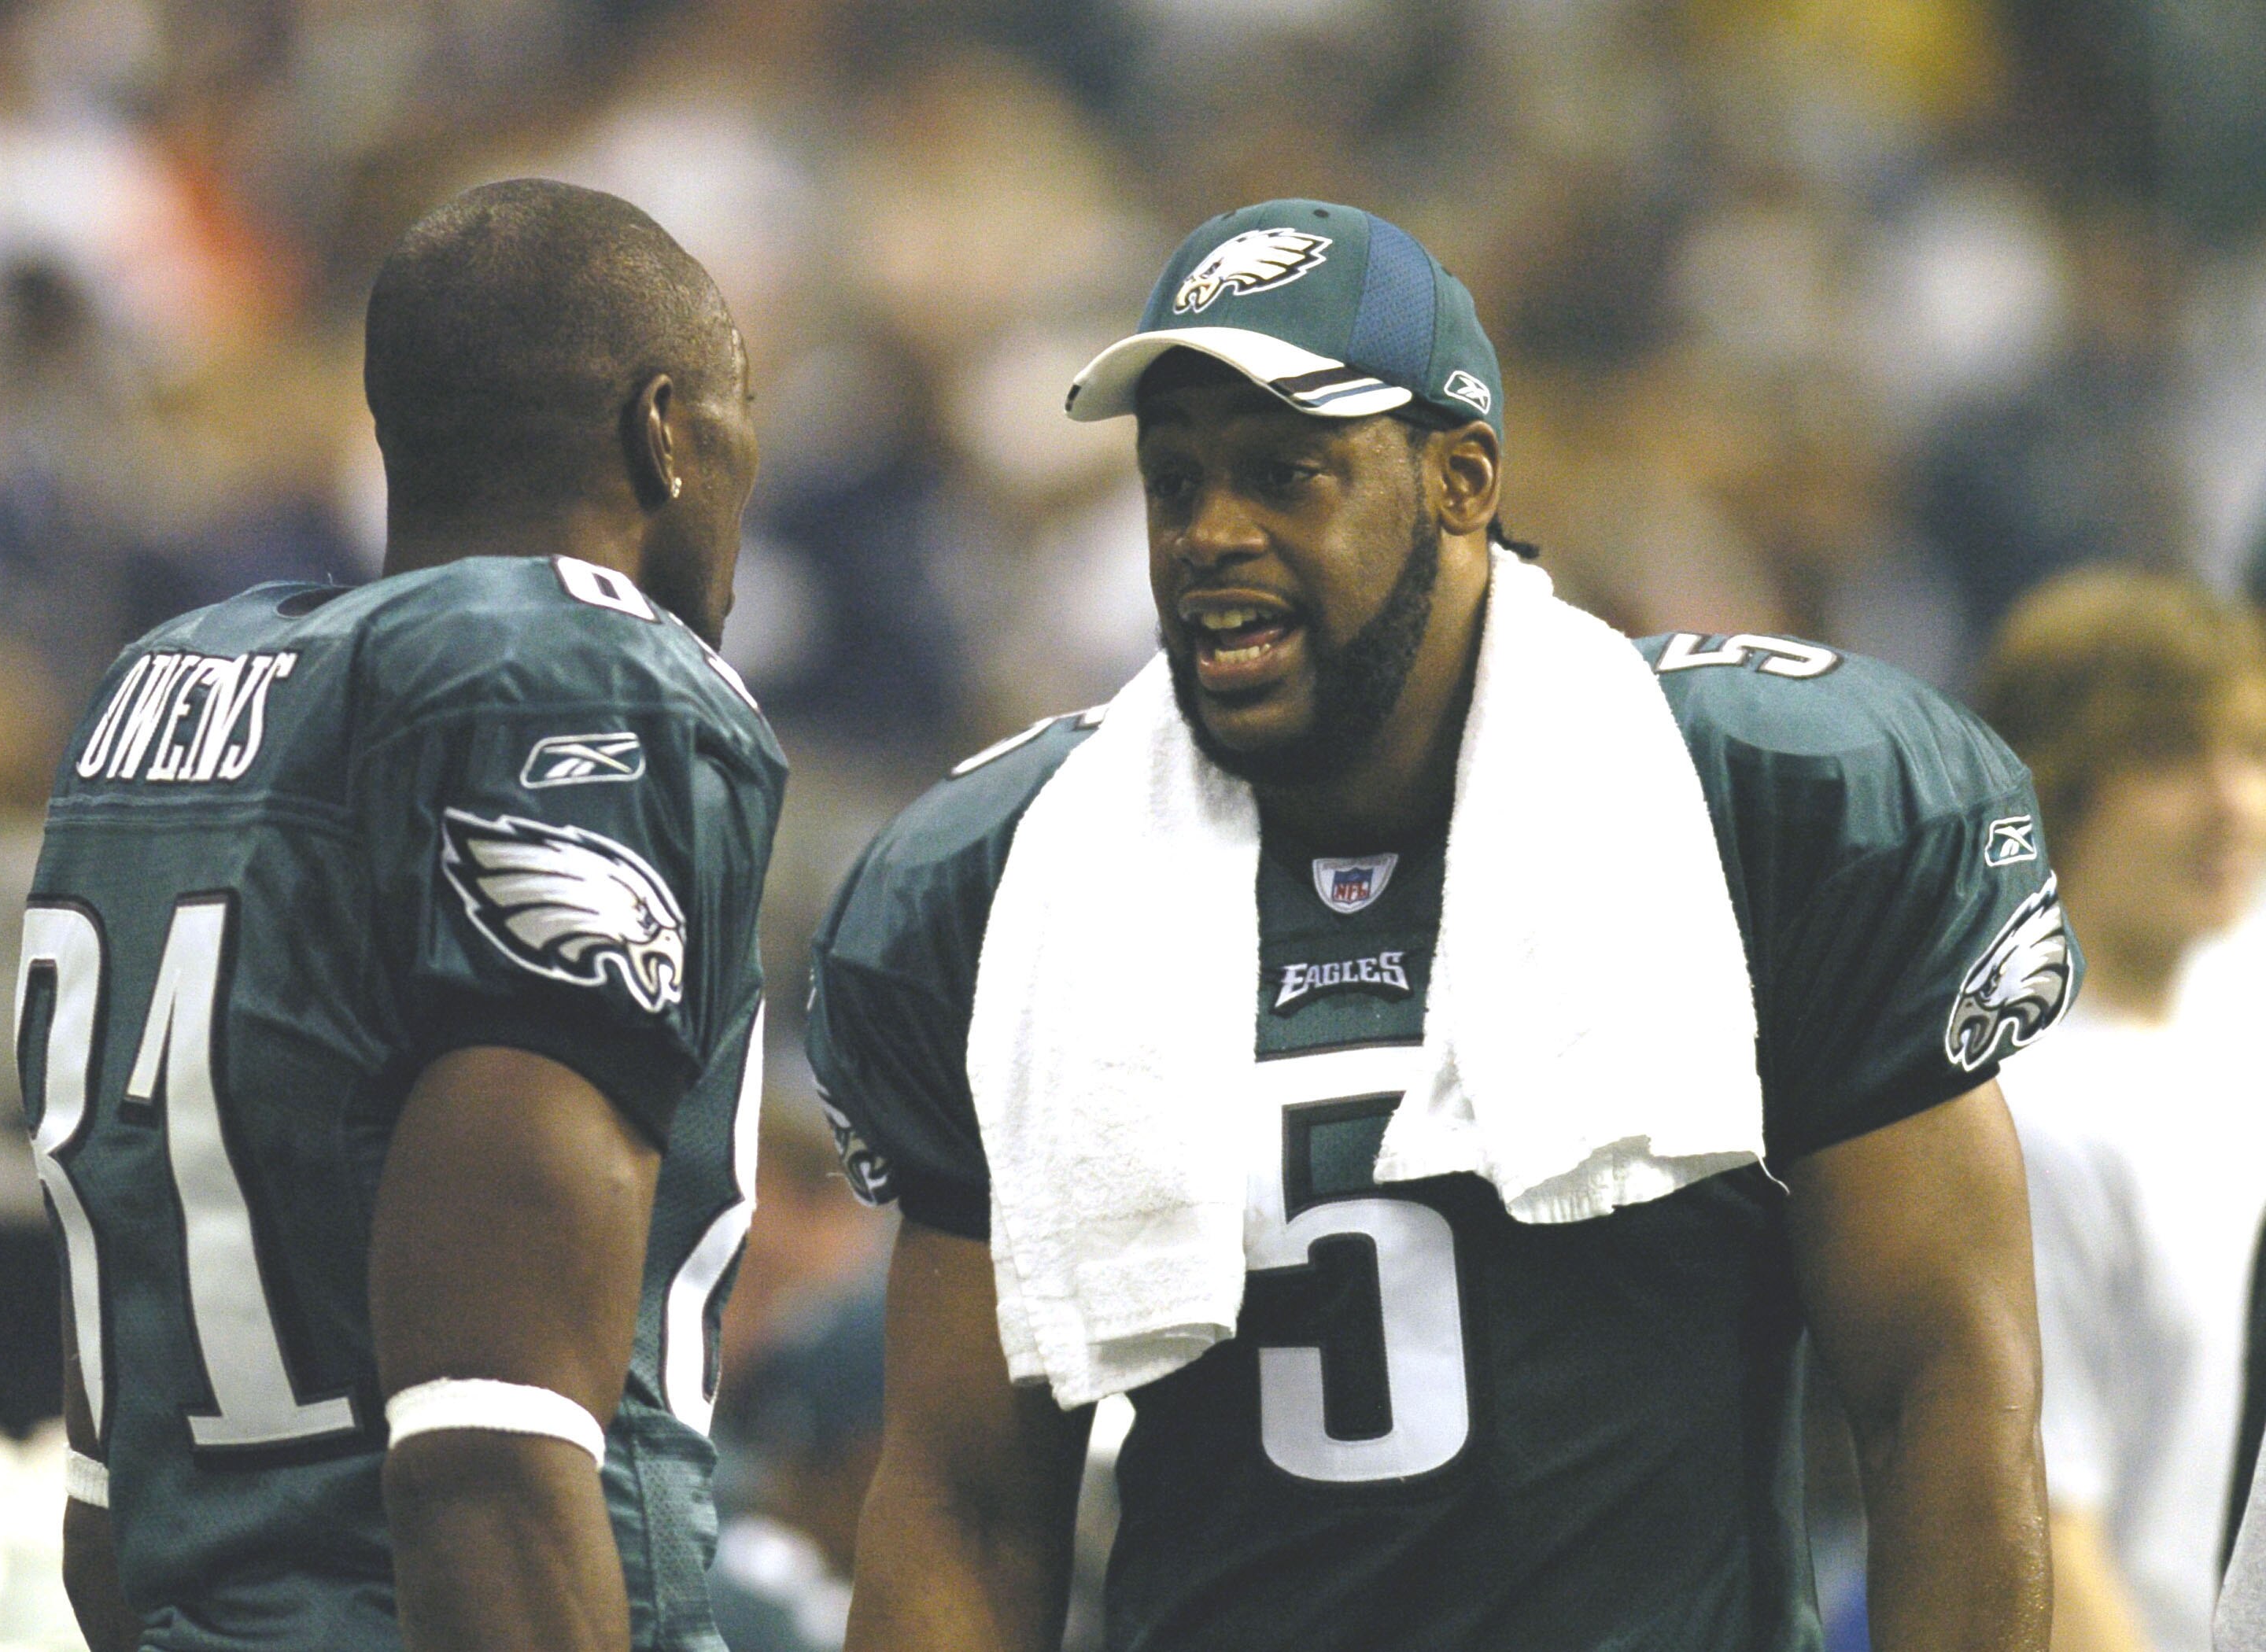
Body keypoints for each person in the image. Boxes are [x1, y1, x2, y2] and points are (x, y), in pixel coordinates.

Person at [807, 198, 2076, 1652]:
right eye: (1176, 484)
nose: (1212, 535)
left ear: (1461, 480)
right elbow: (968, 1506)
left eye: (1287, 473)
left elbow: (1946, 1401)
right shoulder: (1019, 883)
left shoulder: (1758, 807)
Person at [15, 179, 783, 1652]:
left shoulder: (163, 687)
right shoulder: (576, 675)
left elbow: (115, 1496)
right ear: (665, 430)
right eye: (744, 413)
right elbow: (489, 1443)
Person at [1973, 571, 2266, 1652]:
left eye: (2250, 753)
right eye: (2171, 758)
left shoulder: (2230, 1046)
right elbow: (2045, 1539)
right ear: (2058, 784)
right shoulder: (2030, 1116)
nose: (2233, 801)